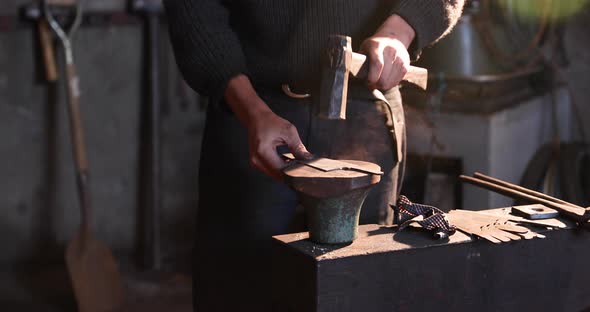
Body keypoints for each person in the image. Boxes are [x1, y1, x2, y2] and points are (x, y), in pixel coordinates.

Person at [164, 1, 464, 311]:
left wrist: (398, 32)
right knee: (237, 284)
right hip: (252, 108)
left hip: (366, 106)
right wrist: (251, 110)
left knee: (359, 284)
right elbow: (195, 9)